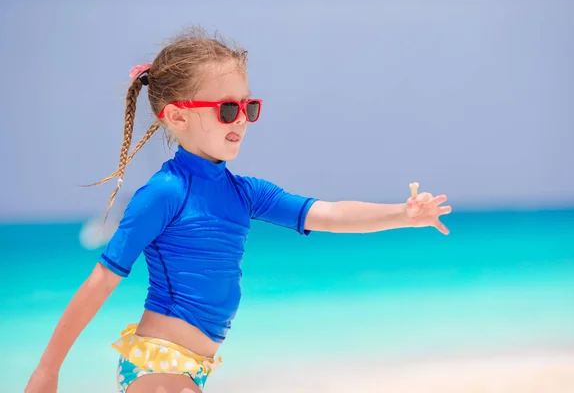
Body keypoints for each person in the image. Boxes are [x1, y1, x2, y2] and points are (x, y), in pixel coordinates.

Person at [25, 27, 452, 393]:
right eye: (227, 109)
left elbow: (328, 214)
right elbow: (102, 281)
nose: (241, 120)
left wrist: (403, 214)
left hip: (192, 368)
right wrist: (49, 368)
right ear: (176, 117)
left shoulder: (244, 193)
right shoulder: (164, 193)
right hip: (160, 365)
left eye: (248, 107)